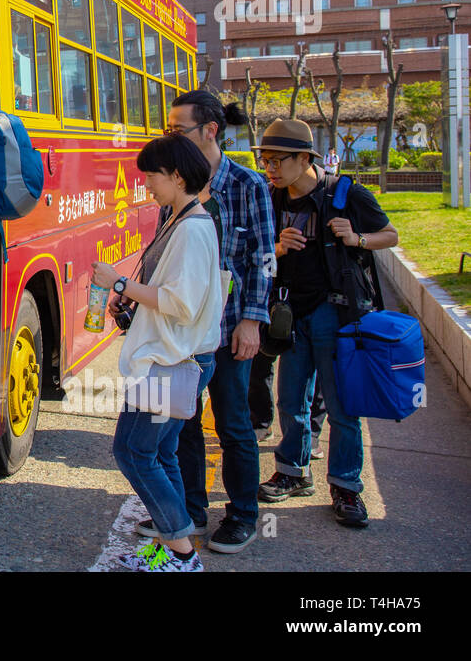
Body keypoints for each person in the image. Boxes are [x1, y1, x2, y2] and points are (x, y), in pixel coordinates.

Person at [135, 91, 275, 555]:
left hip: (230, 327)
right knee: (184, 425)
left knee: (233, 423)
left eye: (179, 130)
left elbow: (263, 258)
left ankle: (242, 516)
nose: (170, 137)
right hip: (181, 334)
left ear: (210, 130)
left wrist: (253, 319)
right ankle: (190, 512)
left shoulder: (248, 184)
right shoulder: (178, 187)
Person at [254, 118, 398, 528]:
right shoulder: (270, 198)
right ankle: (292, 472)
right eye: (265, 159)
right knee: (291, 400)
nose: (270, 168)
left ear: (305, 159)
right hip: (289, 313)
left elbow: (390, 234)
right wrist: (278, 249)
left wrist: (357, 239)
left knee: (342, 407)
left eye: (278, 160)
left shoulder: (345, 194)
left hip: (337, 315)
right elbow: (256, 260)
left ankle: (347, 487)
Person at [94, 134, 225, 572]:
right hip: (180, 357)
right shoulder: (182, 219)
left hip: (173, 361)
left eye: (152, 174)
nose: (146, 182)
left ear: (177, 176)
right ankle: (173, 548)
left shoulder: (190, 228)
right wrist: (128, 295)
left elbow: (180, 303)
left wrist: (117, 283)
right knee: (160, 453)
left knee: (133, 451)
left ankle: (184, 554)